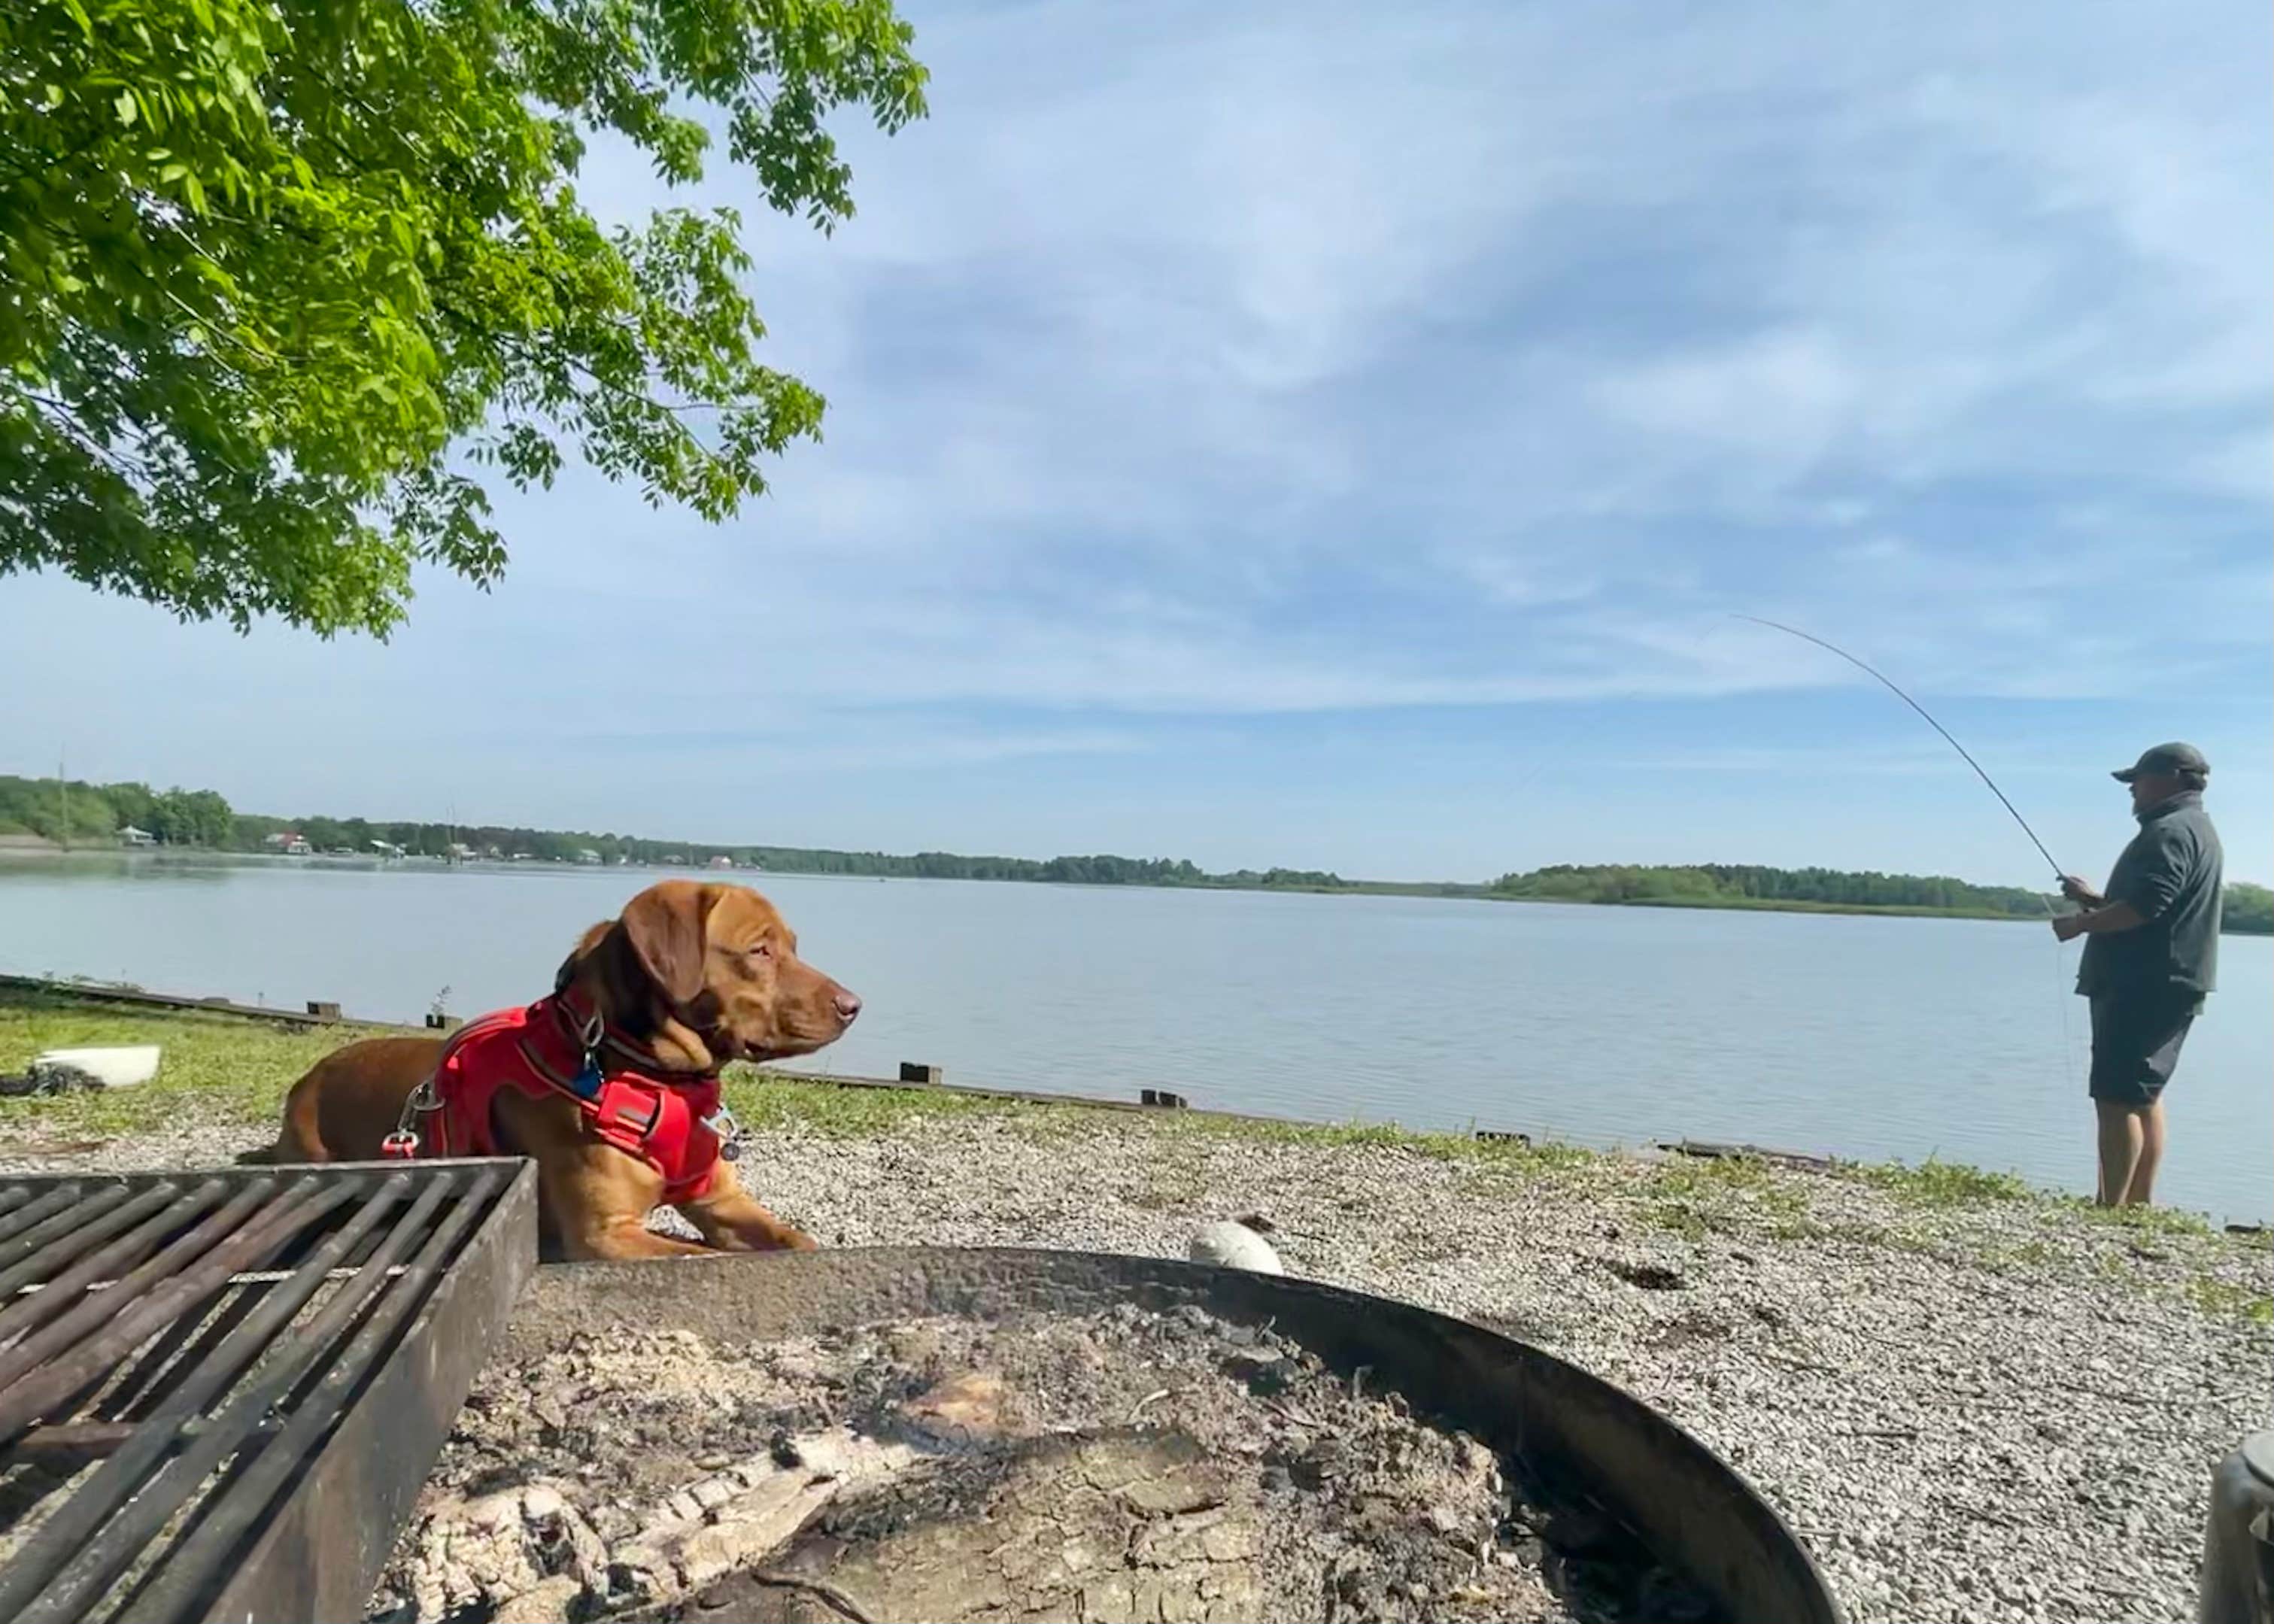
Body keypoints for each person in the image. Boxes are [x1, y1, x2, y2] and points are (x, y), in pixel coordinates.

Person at [2053, 742, 2223, 1207]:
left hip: (2141, 985)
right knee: (2143, 1095)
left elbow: (2145, 909)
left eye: (2138, 780)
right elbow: (2155, 906)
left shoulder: (2167, 831)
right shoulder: (2195, 828)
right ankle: (2137, 1204)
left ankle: (2110, 1208)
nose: (2131, 790)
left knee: (2115, 1097)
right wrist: (2093, 900)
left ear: (2169, 778)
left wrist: (2079, 923)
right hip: (2167, 981)